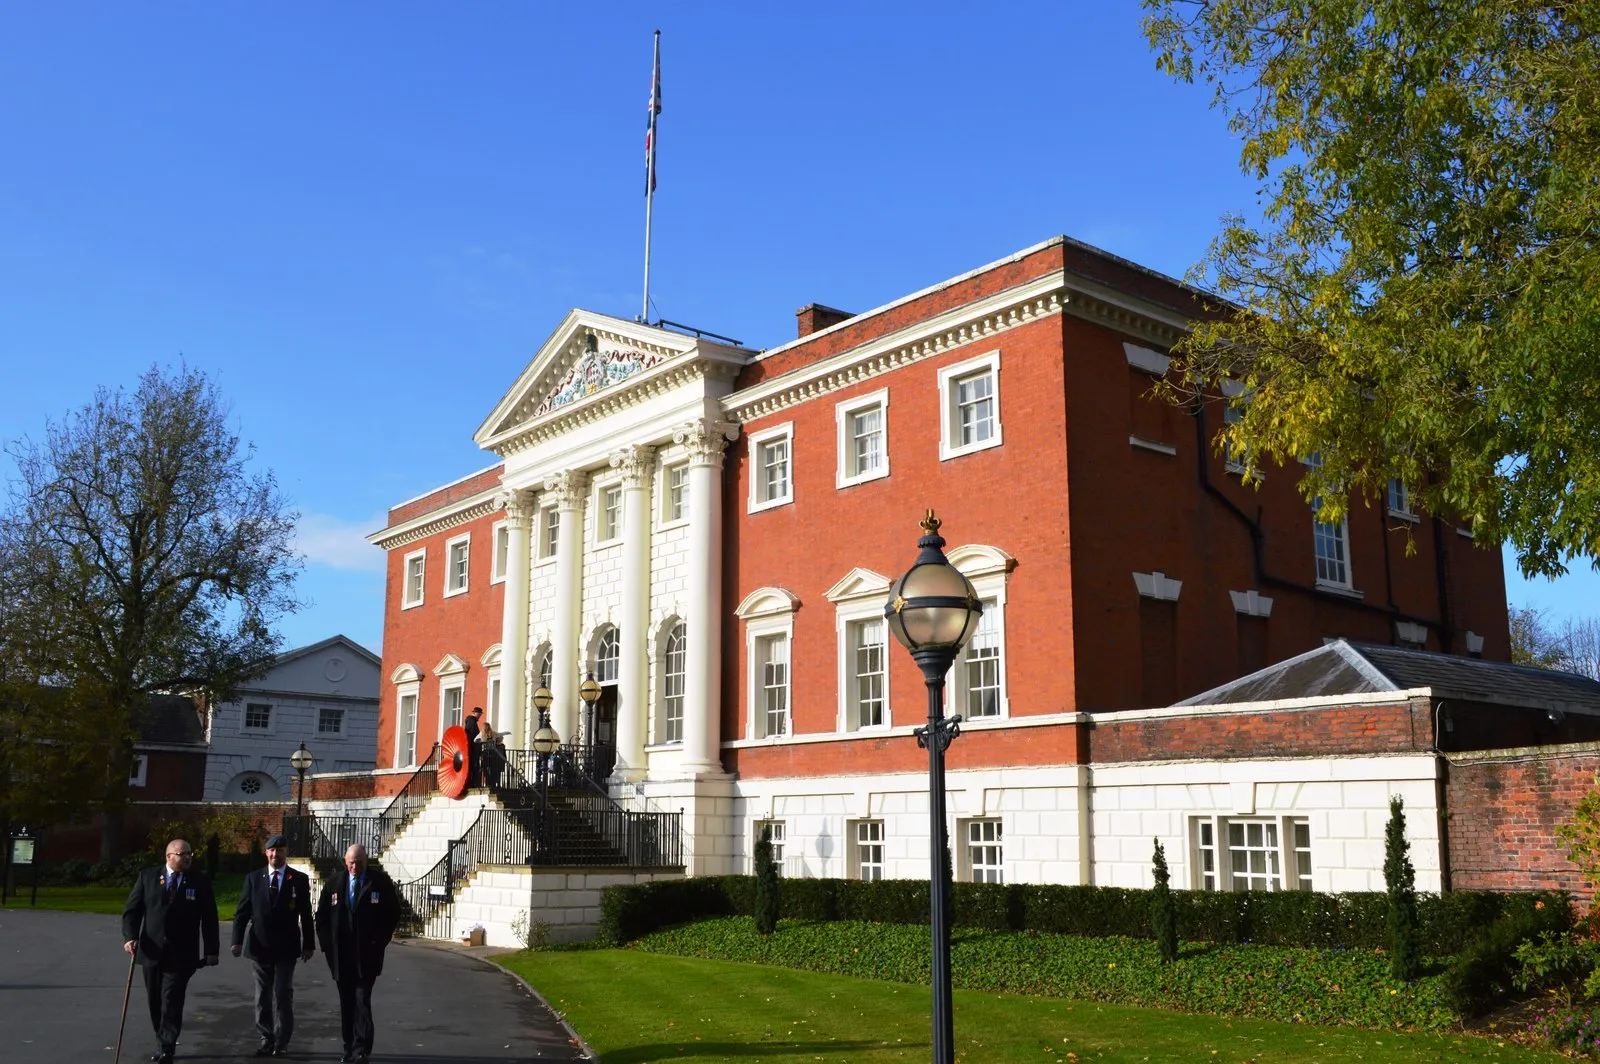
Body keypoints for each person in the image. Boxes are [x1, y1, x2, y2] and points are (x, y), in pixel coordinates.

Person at [121, 838, 220, 1064]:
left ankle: (167, 1046)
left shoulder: (199, 881)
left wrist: (212, 950)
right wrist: (130, 937)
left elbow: (210, 918)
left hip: (182, 954)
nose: (187, 857)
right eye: (181, 854)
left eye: (189, 854)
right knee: (155, 1001)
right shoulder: (148, 877)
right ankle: (162, 1038)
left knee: (171, 999)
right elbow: (132, 911)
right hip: (151, 950)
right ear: (168, 857)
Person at [231, 833, 315, 1057]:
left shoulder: (298, 879)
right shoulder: (253, 878)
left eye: (280, 851)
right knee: (262, 995)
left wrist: (309, 944)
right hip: (259, 946)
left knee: (283, 993)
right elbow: (242, 912)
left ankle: (282, 1041)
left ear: (286, 853)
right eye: (271, 850)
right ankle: (266, 1038)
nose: (275, 854)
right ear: (266, 852)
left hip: (286, 947)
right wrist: (236, 941)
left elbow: (306, 914)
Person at [315, 844, 400, 1064]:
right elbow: (321, 917)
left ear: (366, 861)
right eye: (351, 862)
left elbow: (392, 914)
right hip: (341, 956)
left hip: (367, 955)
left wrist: (379, 941)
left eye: (359, 862)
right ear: (345, 861)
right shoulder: (334, 883)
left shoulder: (379, 883)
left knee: (362, 1000)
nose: (355, 866)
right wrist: (327, 945)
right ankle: (348, 1047)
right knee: (347, 1003)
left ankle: (362, 1049)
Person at [478, 718, 504, 788]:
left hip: (485, 754)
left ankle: (488, 783)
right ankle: (494, 783)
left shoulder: (481, 734)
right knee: (494, 769)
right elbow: (500, 736)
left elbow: (475, 740)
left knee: (487, 769)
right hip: (493, 753)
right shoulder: (493, 733)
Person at [464, 705, 484, 785]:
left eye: (480, 714)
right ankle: (474, 783)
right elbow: (472, 735)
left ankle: (473, 783)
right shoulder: (472, 722)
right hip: (473, 748)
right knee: (474, 765)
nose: (479, 716)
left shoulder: (472, 721)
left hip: (472, 748)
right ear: (475, 713)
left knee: (474, 765)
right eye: (479, 714)